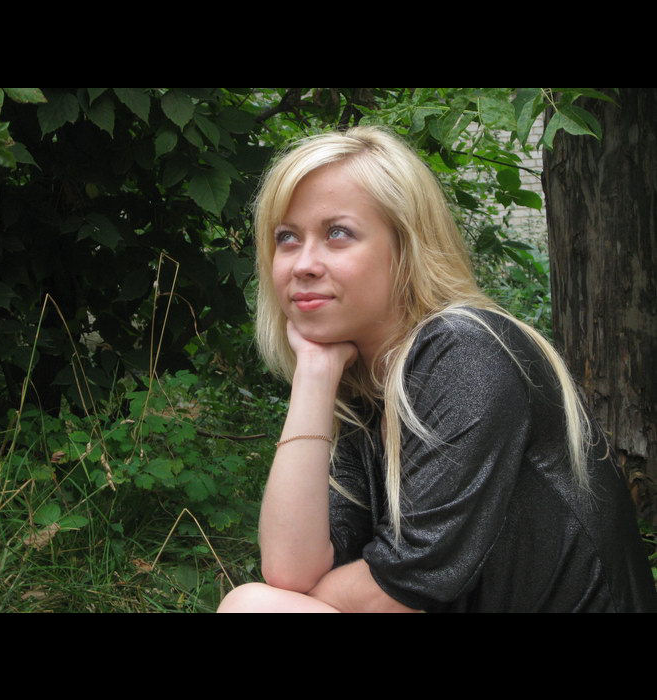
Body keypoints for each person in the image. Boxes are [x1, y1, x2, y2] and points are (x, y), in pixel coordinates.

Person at [217, 126, 656, 613]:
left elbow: (406, 586)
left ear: (407, 247)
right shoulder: (365, 386)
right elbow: (290, 569)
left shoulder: (466, 350)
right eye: (287, 238)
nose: (303, 264)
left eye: (337, 233)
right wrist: (314, 375)